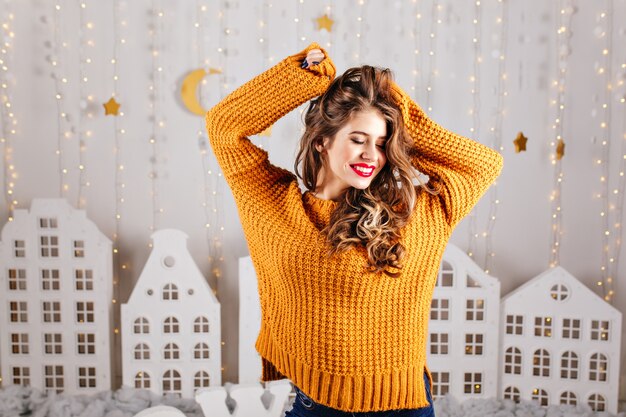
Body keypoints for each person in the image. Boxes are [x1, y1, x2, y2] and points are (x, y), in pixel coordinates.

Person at [205, 42, 503, 416]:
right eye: (358, 140)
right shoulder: (271, 202)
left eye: (382, 144)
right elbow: (223, 127)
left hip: (404, 405)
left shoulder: (415, 211)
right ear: (322, 141)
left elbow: (483, 165)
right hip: (317, 403)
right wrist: (304, 79)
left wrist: (390, 102)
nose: (371, 156)